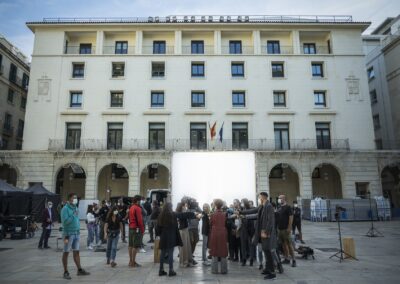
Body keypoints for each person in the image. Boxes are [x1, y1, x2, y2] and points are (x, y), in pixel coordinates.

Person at [156, 202, 200, 277]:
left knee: (162, 253)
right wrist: (194, 214)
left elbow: (157, 228)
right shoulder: (172, 214)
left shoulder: (160, 215)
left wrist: (160, 235)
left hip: (163, 237)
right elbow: (183, 215)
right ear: (170, 207)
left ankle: (161, 270)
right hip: (171, 236)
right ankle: (171, 270)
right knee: (170, 253)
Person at [242, 192, 277, 280]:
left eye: (259, 197)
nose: (258, 199)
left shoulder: (269, 206)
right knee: (265, 251)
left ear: (263, 197)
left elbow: (271, 220)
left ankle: (272, 273)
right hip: (261, 233)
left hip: (266, 234)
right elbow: (253, 211)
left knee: (268, 253)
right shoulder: (262, 206)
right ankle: (267, 269)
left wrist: (267, 232)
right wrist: (241, 212)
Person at [60, 193, 90, 280]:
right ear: (69, 199)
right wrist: (73, 214)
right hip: (68, 234)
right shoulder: (65, 209)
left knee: (76, 252)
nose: (76, 199)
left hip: (76, 233)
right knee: (66, 252)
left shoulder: (75, 208)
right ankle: (65, 271)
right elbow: (65, 222)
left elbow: (76, 220)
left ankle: (79, 269)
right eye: (74, 198)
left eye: (76, 197)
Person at [209, 199, 228, 274]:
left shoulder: (213, 214)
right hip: (223, 232)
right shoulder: (224, 214)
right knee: (223, 249)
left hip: (215, 232)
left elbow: (210, 223)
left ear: (216, 205)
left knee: (214, 250)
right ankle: (224, 270)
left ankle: (214, 270)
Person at [176, 202, 198, 268]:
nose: (185, 207)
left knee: (187, 247)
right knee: (184, 247)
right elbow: (186, 215)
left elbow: (187, 214)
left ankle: (188, 260)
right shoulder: (179, 214)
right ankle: (184, 261)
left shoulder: (181, 213)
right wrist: (194, 214)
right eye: (184, 206)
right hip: (182, 231)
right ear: (181, 207)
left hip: (185, 230)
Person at [277, 195, 296, 267]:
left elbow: (291, 217)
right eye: (279, 198)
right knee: (283, 245)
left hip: (286, 229)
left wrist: (289, 227)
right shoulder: (279, 207)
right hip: (280, 229)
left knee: (289, 244)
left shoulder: (288, 207)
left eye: (280, 198)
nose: (279, 199)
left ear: (284, 199)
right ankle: (286, 258)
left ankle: (293, 260)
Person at [128, 195, 144, 267]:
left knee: (130, 245)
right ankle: (133, 262)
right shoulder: (137, 208)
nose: (140, 202)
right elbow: (140, 220)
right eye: (140, 200)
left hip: (131, 227)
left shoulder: (131, 207)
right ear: (137, 201)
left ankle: (130, 261)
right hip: (136, 228)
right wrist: (142, 229)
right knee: (135, 246)